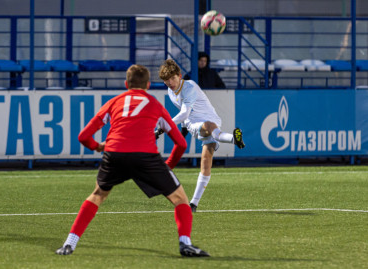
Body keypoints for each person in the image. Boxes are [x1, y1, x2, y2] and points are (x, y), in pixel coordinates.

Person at [55, 64, 209, 257]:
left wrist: (98, 147)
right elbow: (181, 144)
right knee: (181, 200)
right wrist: (167, 166)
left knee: (97, 195)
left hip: (115, 154)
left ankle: (69, 243)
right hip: (146, 157)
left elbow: (83, 136)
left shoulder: (114, 102)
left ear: (126, 83)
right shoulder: (154, 104)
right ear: (148, 84)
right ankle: (185, 244)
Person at [157, 59, 245, 213]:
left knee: (206, 162)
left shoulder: (189, 86)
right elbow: (185, 113)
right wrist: (183, 129)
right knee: (208, 126)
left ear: (180, 75)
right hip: (196, 124)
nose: (170, 83)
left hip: (213, 120)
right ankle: (233, 139)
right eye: (166, 80)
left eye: (172, 78)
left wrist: (164, 128)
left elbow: (184, 112)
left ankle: (193, 204)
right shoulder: (171, 91)